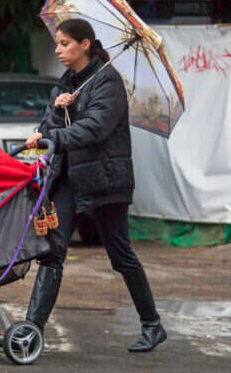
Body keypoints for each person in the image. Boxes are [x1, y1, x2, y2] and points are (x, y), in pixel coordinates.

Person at [24, 18, 166, 353]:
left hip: (105, 180)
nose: (58, 50)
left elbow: (96, 128)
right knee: (53, 253)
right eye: (57, 44)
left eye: (65, 44)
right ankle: (31, 332)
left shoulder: (108, 81)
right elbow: (48, 125)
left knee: (120, 255)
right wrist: (57, 112)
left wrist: (53, 135)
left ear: (85, 44)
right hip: (68, 178)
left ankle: (152, 324)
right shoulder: (65, 84)